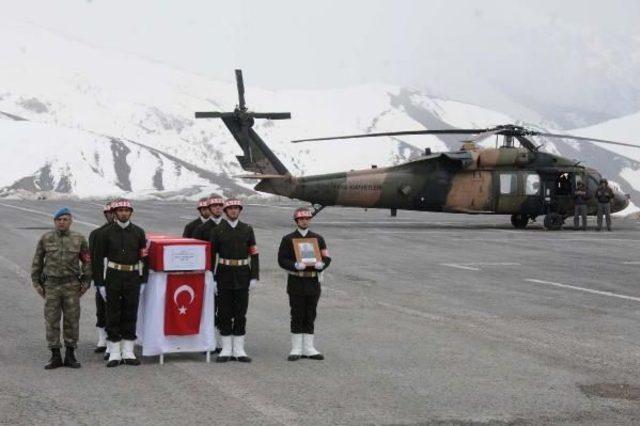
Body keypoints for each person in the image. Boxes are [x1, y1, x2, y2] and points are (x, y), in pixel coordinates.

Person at [31, 207, 91, 369]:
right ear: (55, 222)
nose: (62, 222)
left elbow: (87, 261)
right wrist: (37, 283)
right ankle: (55, 355)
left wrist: (86, 282)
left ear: (71, 221)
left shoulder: (79, 239)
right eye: (59, 219)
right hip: (51, 285)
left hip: (72, 285)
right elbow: (37, 261)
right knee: (52, 320)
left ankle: (70, 354)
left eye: (65, 219)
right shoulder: (46, 238)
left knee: (72, 320)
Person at [94, 199, 148, 367]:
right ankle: (115, 352)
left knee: (130, 313)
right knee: (113, 314)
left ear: (131, 212)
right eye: (120, 210)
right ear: (115, 213)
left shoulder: (139, 232)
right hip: (113, 276)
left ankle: (128, 351)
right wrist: (100, 284)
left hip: (132, 277)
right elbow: (97, 260)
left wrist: (143, 280)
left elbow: (144, 257)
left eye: (127, 210)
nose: (124, 213)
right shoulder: (105, 233)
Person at [278, 207, 331, 361]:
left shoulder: (318, 238)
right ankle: (296, 347)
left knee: (310, 313)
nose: (304, 221)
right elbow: (282, 259)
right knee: (297, 313)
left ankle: (308, 347)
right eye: (301, 219)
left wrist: (323, 264)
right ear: (296, 221)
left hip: (313, 281)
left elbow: (327, 257)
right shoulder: (288, 239)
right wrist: (294, 265)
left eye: (307, 219)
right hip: (296, 280)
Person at [210, 198, 259, 363]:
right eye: (230, 209)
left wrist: (254, 276)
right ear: (225, 211)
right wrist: (212, 278)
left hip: (242, 275)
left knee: (240, 312)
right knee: (224, 312)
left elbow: (254, 254)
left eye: (237, 208)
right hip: (223, 275)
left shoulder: (247, 229)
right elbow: (211, 256)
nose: (233, 211)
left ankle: (239, 349)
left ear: (240, 211)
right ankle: (226, 348)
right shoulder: (218, 230)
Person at [88, 201, 114, 356]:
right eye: (109, 213)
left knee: (116, 311)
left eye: (114, 212)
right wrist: (97, 280)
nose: (112, 215)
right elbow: (94, 258)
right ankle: (102, 339)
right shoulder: (97, 233)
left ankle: (114, 341)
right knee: (101, 308)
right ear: (105, 214)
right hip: (103, 277)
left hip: (119, 276)